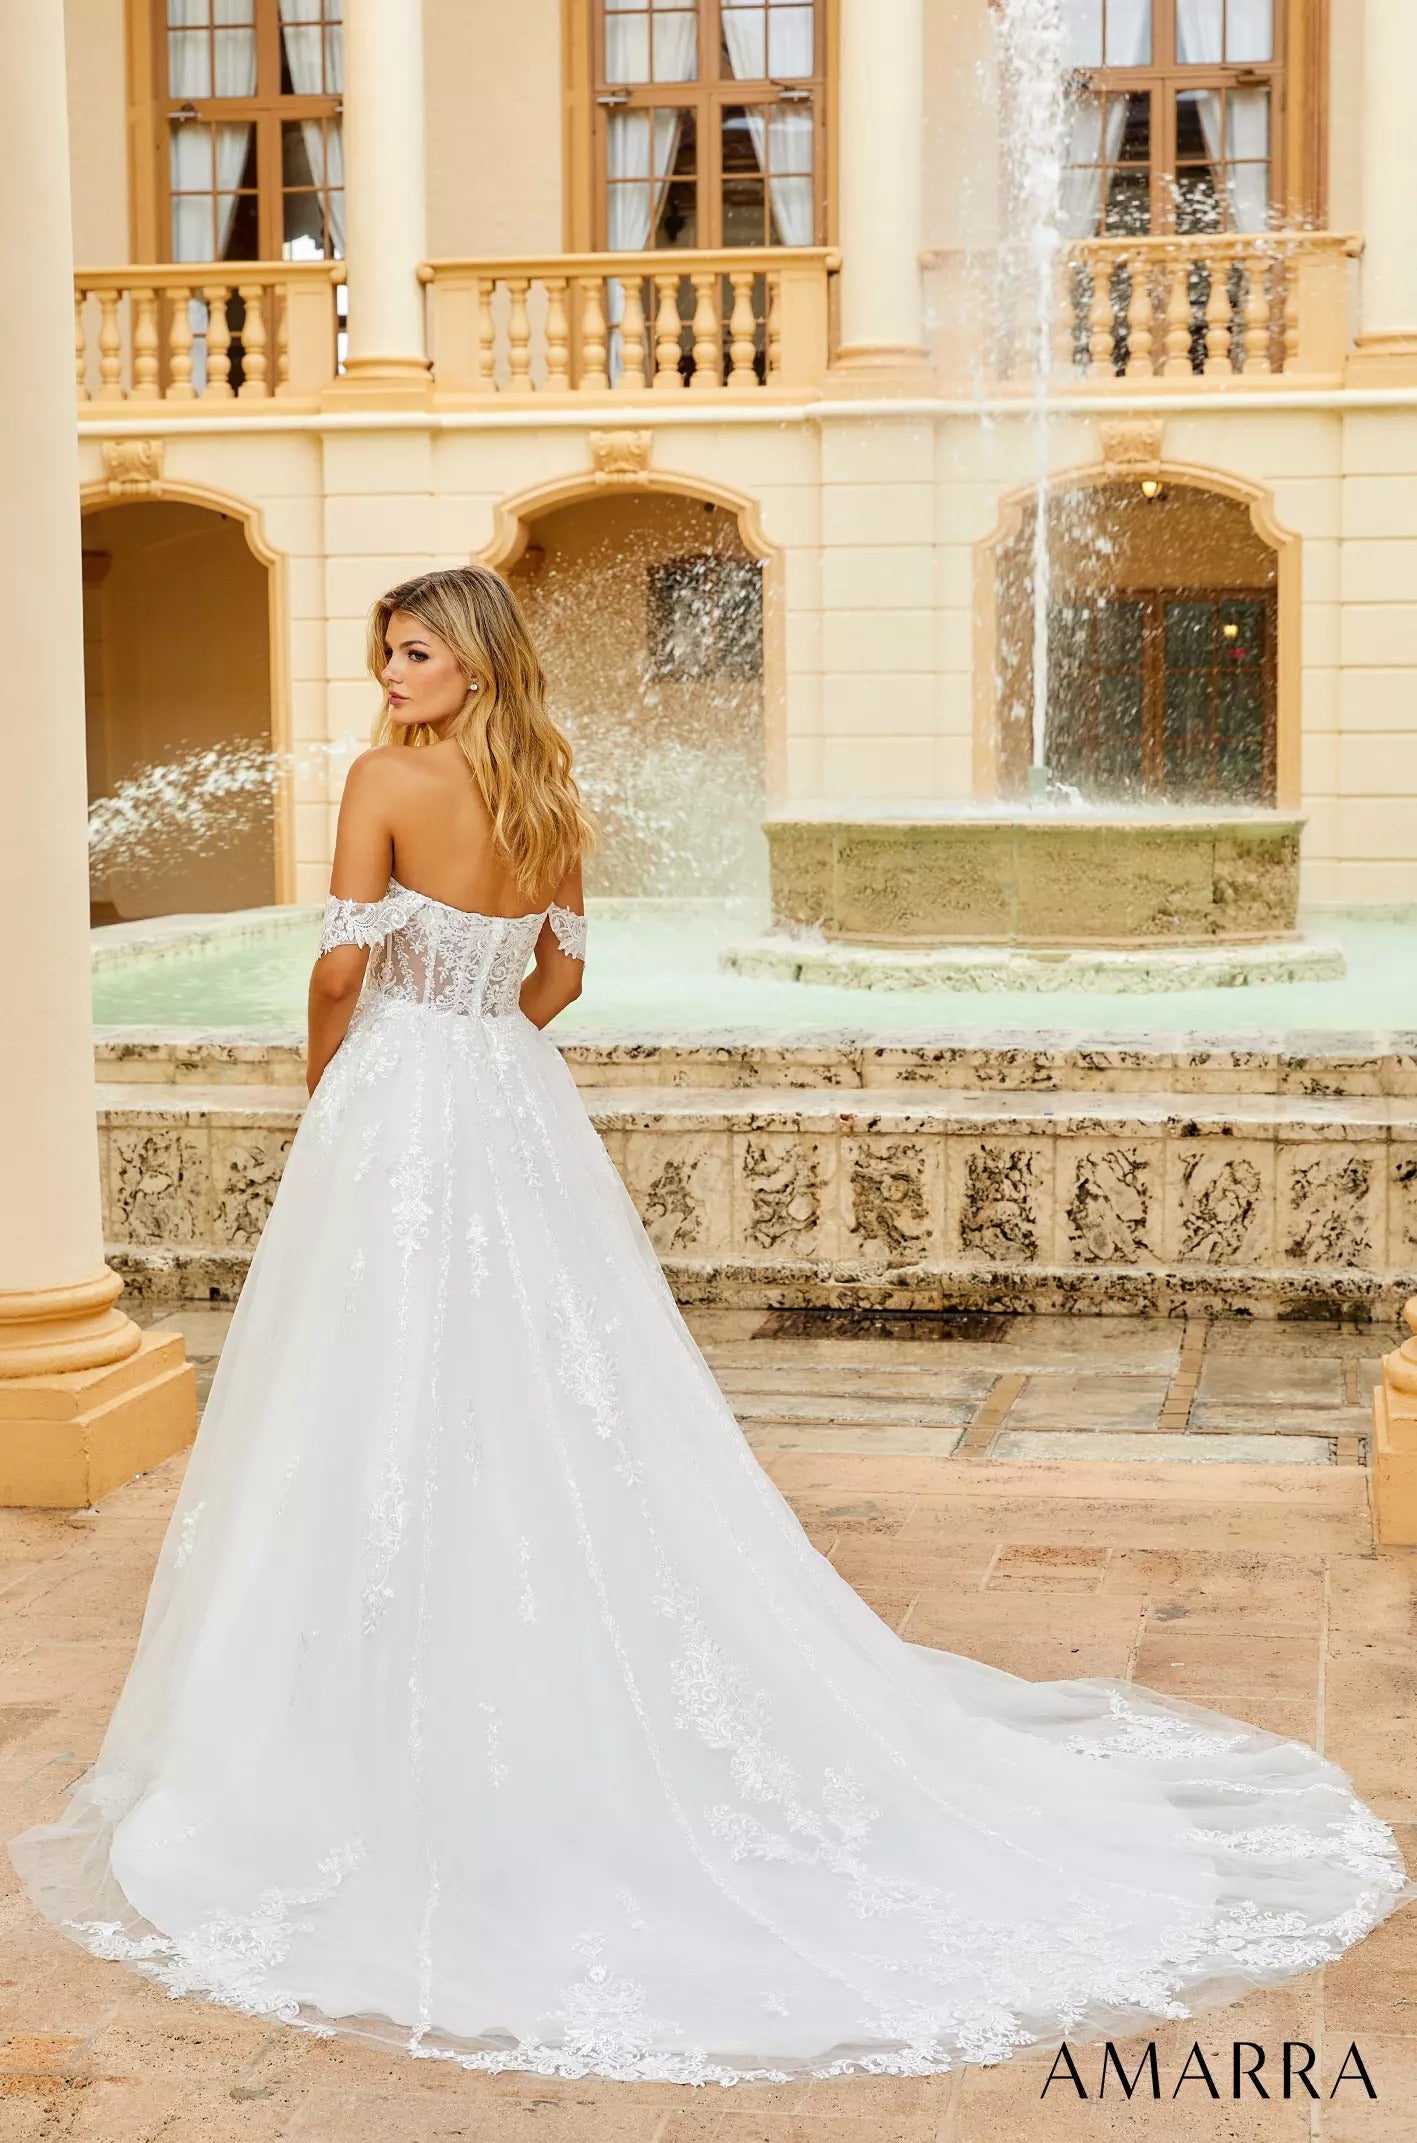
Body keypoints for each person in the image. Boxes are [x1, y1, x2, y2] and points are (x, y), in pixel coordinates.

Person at [10, 566, 1410, 2086]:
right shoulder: (548, 792)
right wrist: (484, 1047)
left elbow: (341, 960)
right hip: (504, 1096)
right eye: (385, 653)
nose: (389, 671)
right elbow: (563, 971)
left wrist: (337, 1083)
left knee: (377, 1388)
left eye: (413, 650)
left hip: (405, 1097)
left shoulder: (383, 780)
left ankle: (364, 1698)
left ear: (471, 662)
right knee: (549, 1382)